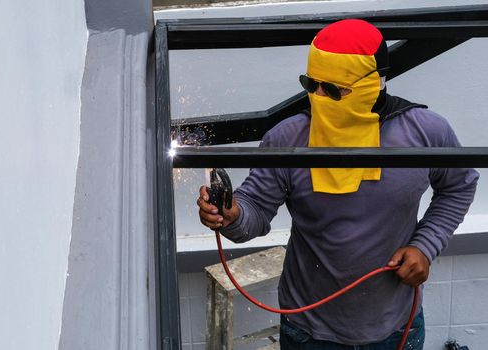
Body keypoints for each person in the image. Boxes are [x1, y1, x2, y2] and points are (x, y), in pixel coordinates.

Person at [196, 19, 478, 349]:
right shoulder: (289, 139)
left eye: (333, 90)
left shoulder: (424, 133)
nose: (318, 98)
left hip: (396, 325)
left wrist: (425, 246)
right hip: (308, 331)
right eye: (312, 84)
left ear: (374, 84)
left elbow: (459, 185)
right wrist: (231, 215)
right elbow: (254, 212)